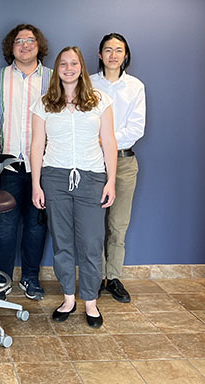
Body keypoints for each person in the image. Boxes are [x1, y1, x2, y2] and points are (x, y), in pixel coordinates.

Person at [30, 47, 117, 328]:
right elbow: (36, 146)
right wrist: (36, 185)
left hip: (91, 178)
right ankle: (68, 298)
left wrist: (111, 181)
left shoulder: (100, 101)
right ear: (57, 69)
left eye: (74, 63)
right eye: (63, 63)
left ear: (82, 67)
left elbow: (110, 142)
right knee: (62, 243)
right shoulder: (44, 103)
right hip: (54, 178)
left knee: (91, 244)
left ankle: (90, 301)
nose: (69, 68)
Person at [0, 24, 51, 301]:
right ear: (11, 47)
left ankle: (30, 278)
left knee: (37, 225)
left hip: (45, 166)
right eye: (19, 40)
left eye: (30, 40)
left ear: (39, 45)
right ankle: (0, 281)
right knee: (4, 226)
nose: (25, 45)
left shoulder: (53, 79)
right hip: (8, 166)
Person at [91, 33, 146, 303]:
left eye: (119, 50)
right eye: (108, 50)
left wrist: (107, 140)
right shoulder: (87, 84)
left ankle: (112, 278)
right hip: (92, 162)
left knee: (118, 225)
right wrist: (99, 142)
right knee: (93, 226)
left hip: (124, 162)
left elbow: (136, 128)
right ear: (100, 54)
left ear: (126, 56)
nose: (113, 55)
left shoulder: (135, 87)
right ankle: (95, 277)